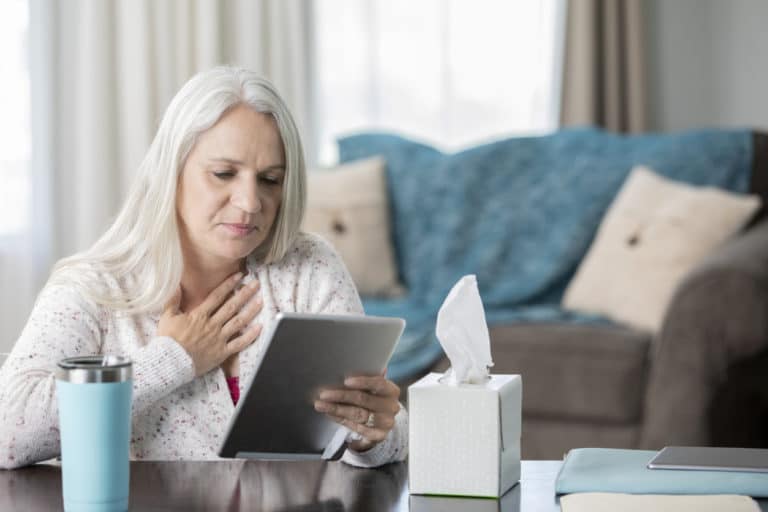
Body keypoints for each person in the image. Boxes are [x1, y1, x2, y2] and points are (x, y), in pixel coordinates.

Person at [0, 67, 407, 469]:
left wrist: (371, 436)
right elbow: (7, 433)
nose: (250, 202)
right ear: (171, 171)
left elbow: (389, 439)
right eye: (223, 174)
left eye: (269, 179)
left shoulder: (308, 267)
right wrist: (173, 358)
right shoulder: (93, 289)